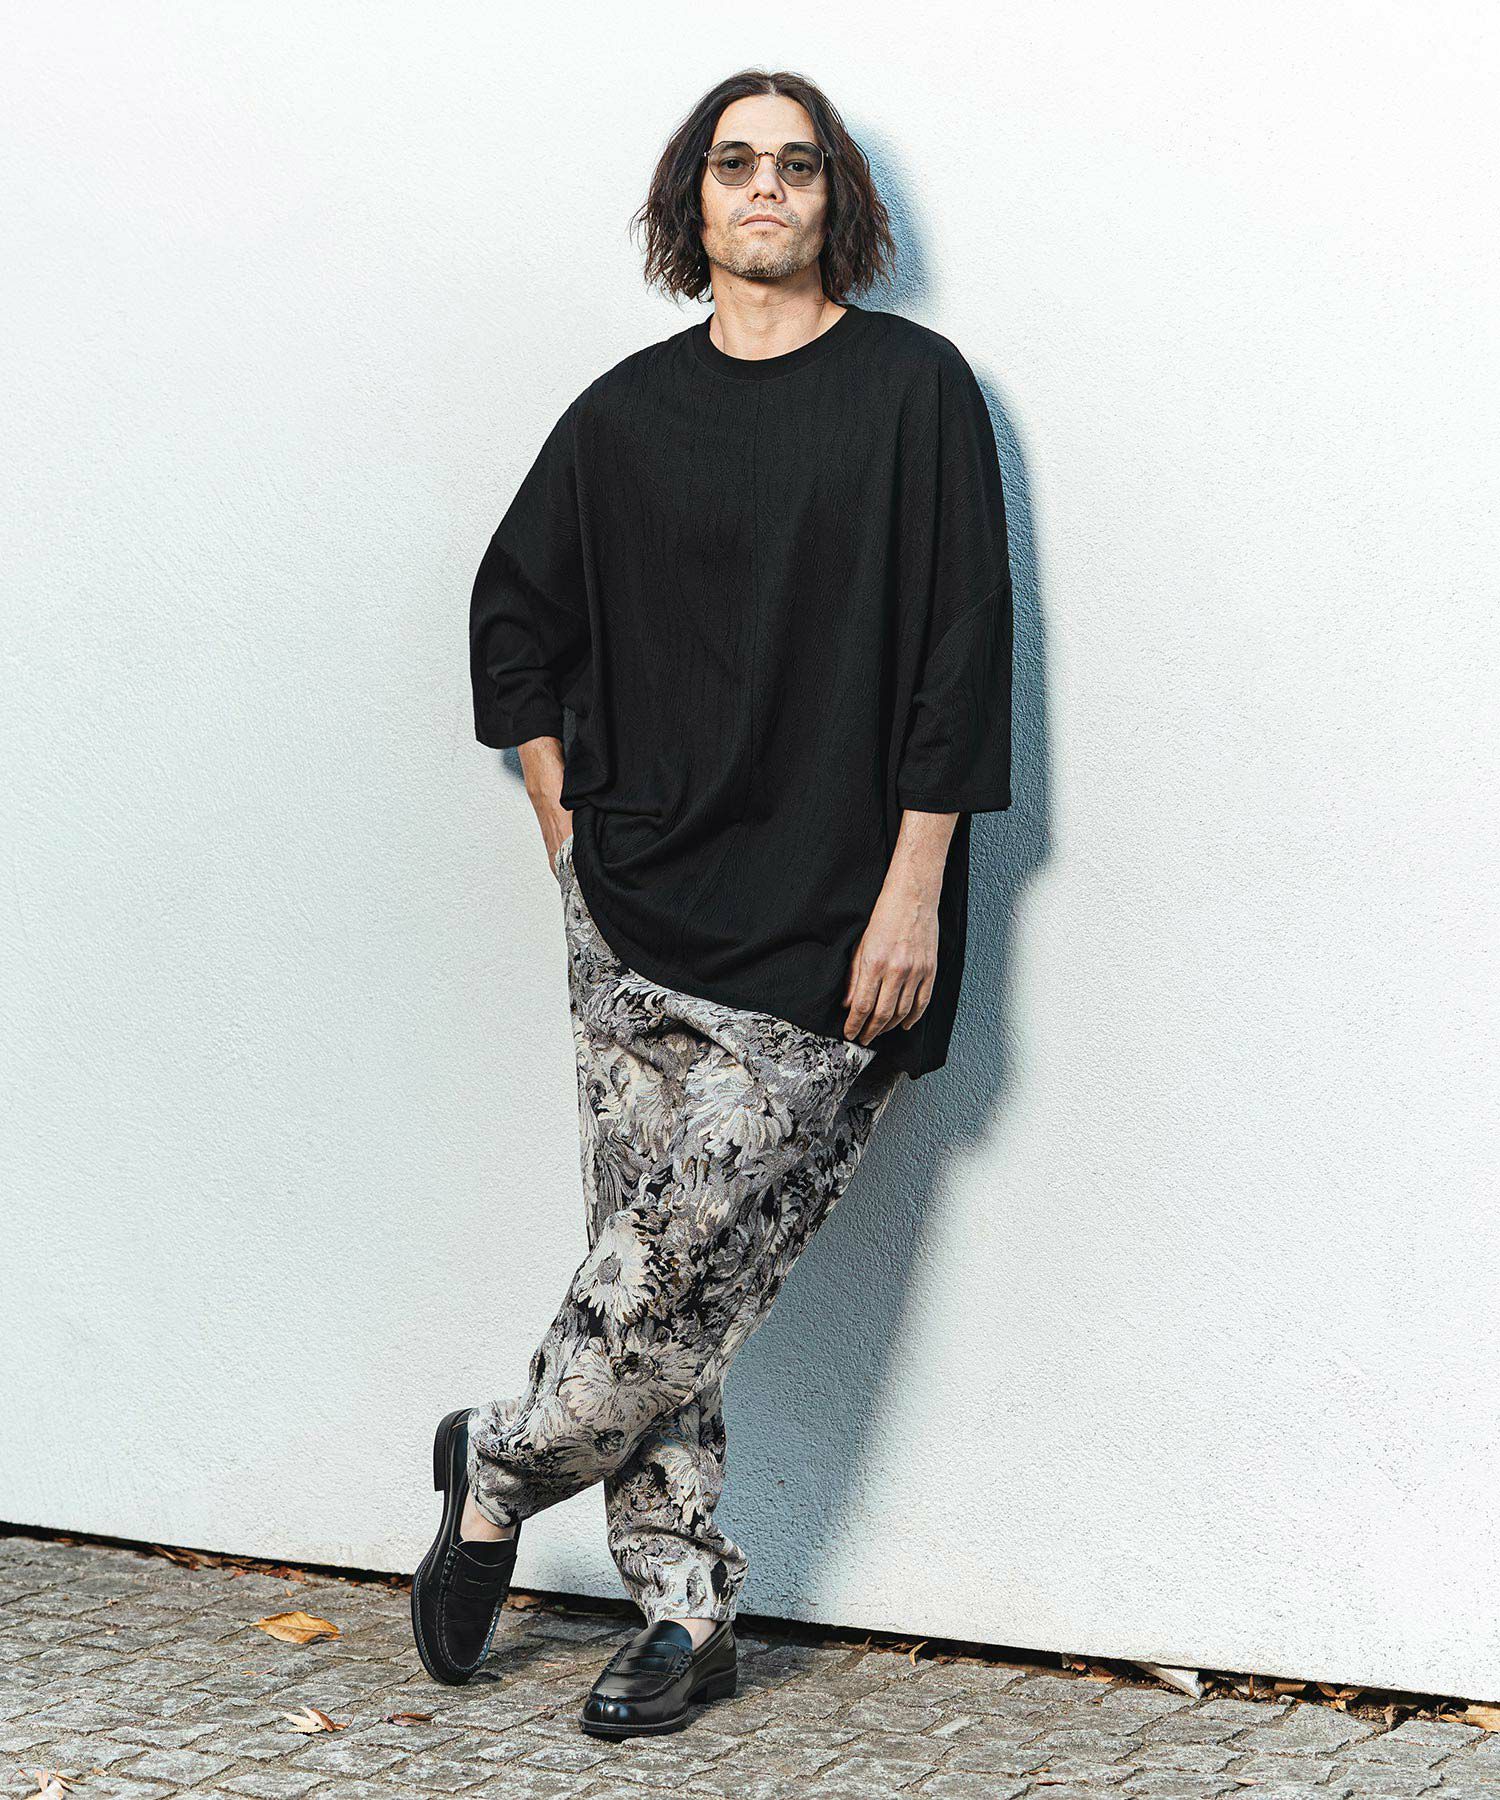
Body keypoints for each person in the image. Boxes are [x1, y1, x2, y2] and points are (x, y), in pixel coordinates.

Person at [410, 67, 1014, 1737]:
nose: (764, 189)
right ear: (694, 199)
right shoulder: (622, 416)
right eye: (735, 164)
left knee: (680, 1261)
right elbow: (512, 616)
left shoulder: (917, 393)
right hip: (635, 908)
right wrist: (561, 812)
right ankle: (684, 1608)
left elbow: (962, 656)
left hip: (839, 912)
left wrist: (915, 891)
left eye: (795, 167)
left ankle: (495, 1463)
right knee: (656, 1267)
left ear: (835, 202)